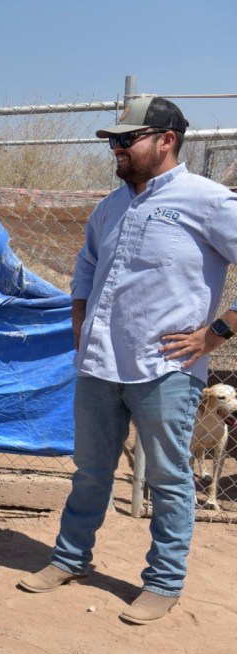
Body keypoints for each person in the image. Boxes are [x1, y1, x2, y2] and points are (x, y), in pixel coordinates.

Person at [17, 97, 237, 625]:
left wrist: (216, 334)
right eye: (113, 140)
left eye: (126, 139)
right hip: (99, 364)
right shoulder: (110, 205)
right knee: (91, 471)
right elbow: (87, 262)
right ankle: (71, 559)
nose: (115, 148)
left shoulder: (208, 201)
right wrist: (78, 315)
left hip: (165, 370)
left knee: (167, 477)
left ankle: (163, 582)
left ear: (166, 140)